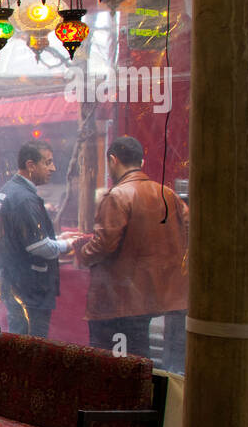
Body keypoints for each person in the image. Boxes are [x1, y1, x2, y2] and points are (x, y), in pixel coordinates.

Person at [75, 136, 190, 371]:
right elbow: (186, 232)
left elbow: (104, 245)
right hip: (157, 296)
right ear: (141, 161)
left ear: (113, 160)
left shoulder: (118, 196)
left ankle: (116, 405)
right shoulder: (169, 195)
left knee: (111, 365)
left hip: (119, 299)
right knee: (140, 360)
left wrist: (82, 253)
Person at [0, 140, 73, 338]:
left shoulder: (9, 190)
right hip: (29, 287)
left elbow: (21, 238)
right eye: (48, 162)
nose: (53, 168)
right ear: (31, 165)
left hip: (15, 281)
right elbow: (38, 246)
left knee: (19, 341)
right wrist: (66, 244)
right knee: (30, 346)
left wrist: (58, 238)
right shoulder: (23, 198)